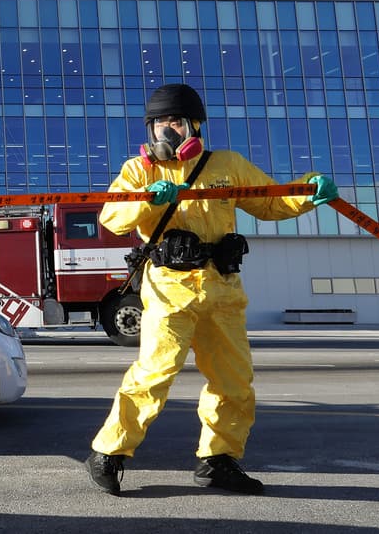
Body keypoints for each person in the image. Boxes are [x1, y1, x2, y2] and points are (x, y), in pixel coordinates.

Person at [85, 83, 338, 496]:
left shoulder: (227, 165)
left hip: (221, 290)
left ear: (194, 127)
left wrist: (308, 191)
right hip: (169, 291)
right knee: (153, 375)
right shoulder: (139, 170)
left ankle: (218, 460)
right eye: (160, 124)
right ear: (150, 130)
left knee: (234, 382)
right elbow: (113, 217)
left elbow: (270, 202)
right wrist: (147, 200)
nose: (168, 132)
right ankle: (108, 454)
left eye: (176, 123)